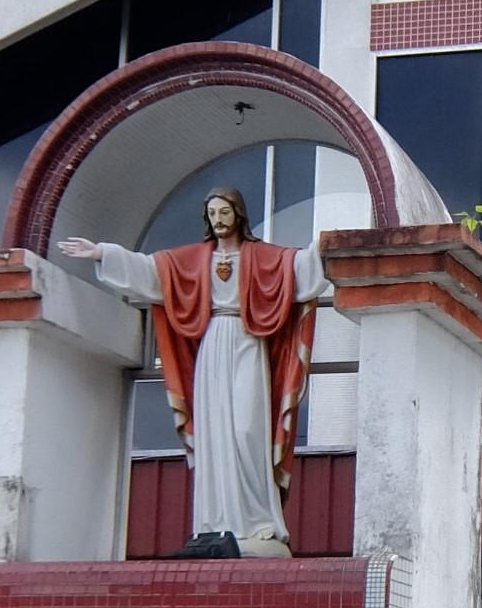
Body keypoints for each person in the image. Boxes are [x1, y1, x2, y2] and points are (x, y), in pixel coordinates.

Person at [58, 187, 323, 552]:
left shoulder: (260, 256)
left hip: (248, 340)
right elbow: (150, 270)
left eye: (224, 211)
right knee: (215, 433)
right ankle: (216, 522)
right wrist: (104, 253)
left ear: (239, 214)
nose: (218, 219)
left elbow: (298, 269)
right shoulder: (195, 259)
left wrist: (326, 246)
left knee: (248, 429)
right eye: (212, 212)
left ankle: (259, 520)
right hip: (213, 345)